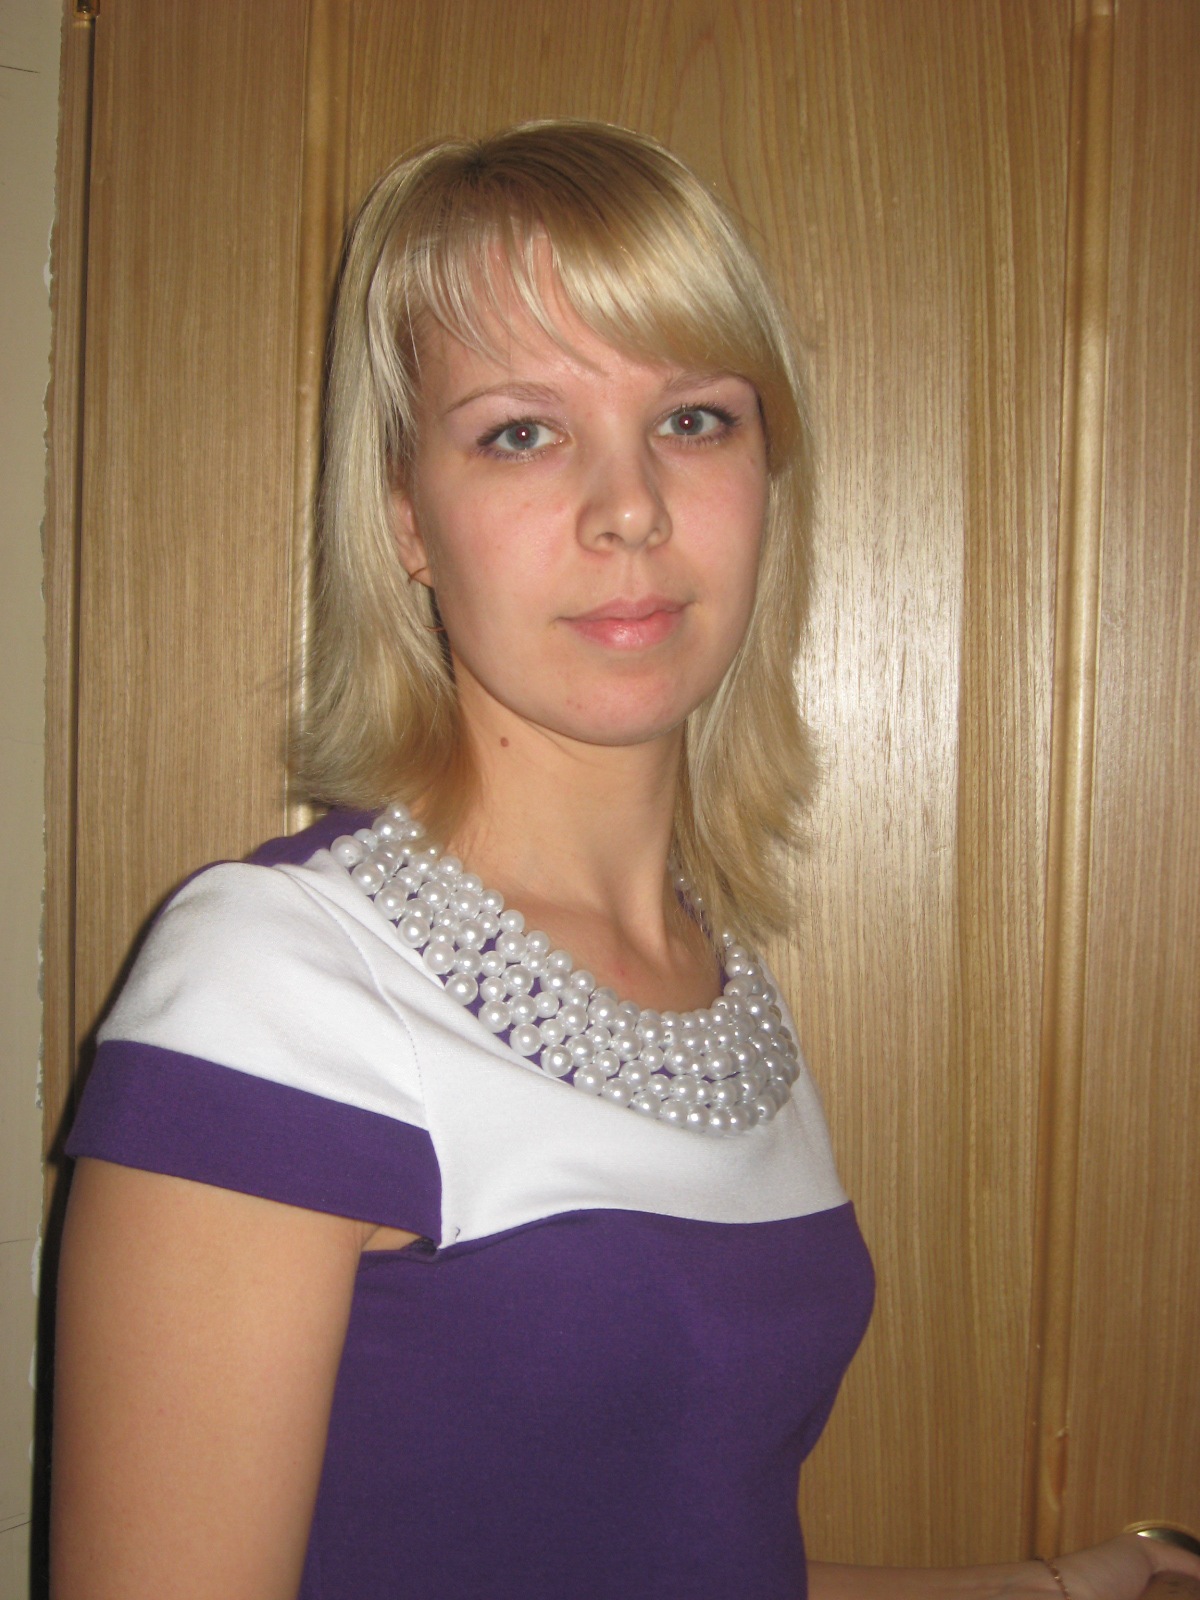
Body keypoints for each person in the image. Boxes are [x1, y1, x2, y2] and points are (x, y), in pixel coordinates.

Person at [50, 121, 1200, 1600]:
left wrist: (1045, 1587)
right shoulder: (273, 980)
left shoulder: (728, 999)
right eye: (520, 432)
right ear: (407, 519)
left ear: (768, 473)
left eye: (695, 418)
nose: (632, 507)